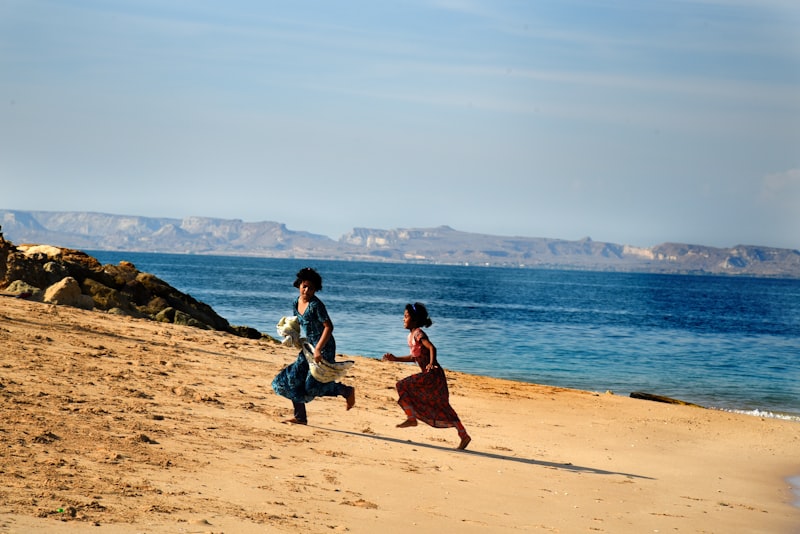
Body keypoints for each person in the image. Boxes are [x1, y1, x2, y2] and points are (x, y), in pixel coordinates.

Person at [382, 302, 471, 450]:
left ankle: (412, 418)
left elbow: (431, 347)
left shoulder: (418, 333)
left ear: (415, 320)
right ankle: (463, 435)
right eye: (403, 316)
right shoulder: (410, 336)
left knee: (403, 386)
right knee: (439, 405)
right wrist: (395, 358)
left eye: (406, 317)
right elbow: (414, 358)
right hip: (429, 375)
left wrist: (431, 363)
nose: (403, 319)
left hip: (434, 375)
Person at [272, 267, 355, 424]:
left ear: (316, 289)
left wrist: (318, 349)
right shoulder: (295, 303)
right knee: (290, 379)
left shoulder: (316, 305)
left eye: (311, 287)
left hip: (323, 347)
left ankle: (345, 391)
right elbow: (298, 324)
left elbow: (329, 327)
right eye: (304, 286)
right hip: (308, 346)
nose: (307, 290)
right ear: (299, 285)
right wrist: (290, 334)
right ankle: (300, 417)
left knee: (312, 386)